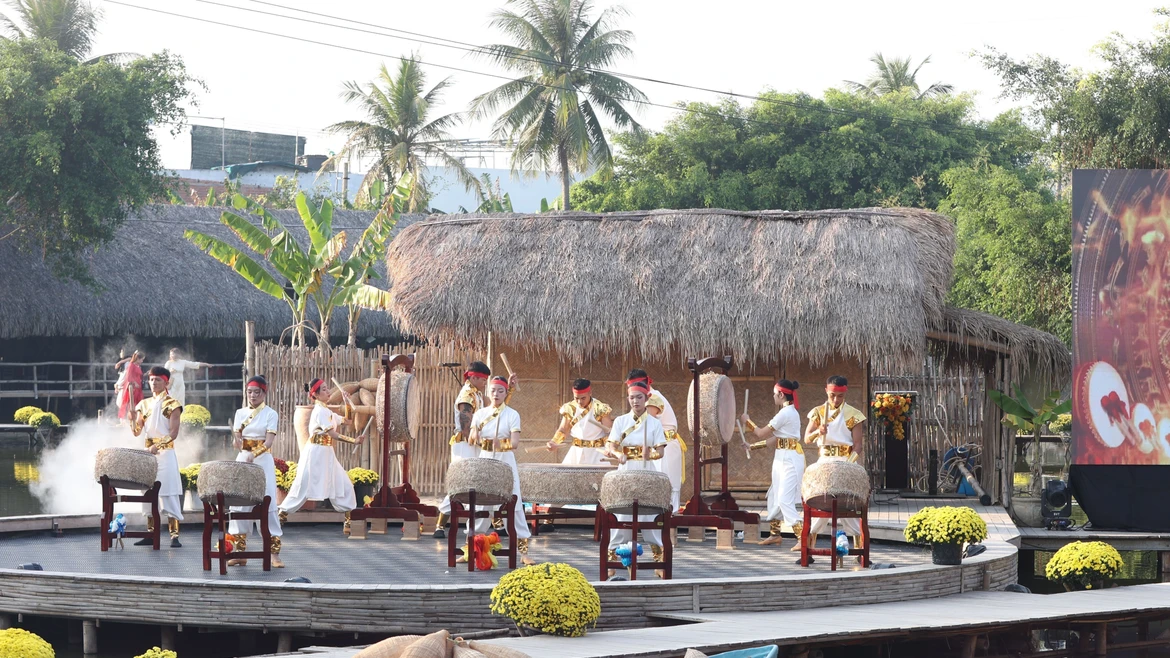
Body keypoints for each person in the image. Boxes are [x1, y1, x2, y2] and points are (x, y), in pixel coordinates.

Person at [434, 361, 517, 539]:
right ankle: (440, 525)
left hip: (477, 446)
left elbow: (495, 411)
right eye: (483, 380)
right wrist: (484, 442)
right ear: (473, 378)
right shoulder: (466, 396)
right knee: (463, 484)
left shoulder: (477, 393)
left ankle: (495, 522)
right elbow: (467, 429)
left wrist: (509, 389)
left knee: (484, 482)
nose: (485, 383)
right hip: (465, 446)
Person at [279, 378, 366, 535]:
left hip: (327, 452)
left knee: (344, 484)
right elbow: (332, 433)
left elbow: (347, 421)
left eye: (327, 388)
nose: (328, 391)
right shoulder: (319, 412)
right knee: (302, 486)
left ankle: (348, 522)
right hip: (315, 453)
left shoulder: (327, 411)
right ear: (316, 395)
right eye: (324, 389)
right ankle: (281, 515)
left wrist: (347, 402)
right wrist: (354, 441)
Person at [464, 375, 534, 565]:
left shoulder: (512, 414)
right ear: (488, 392)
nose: (496, 394)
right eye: (493, 390)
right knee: (480, 503)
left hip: (505, 462)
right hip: (485, 460)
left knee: (514, 503)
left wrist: (500, 443)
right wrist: (475, 436)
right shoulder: (480, 414)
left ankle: (523, 553)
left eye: (500, 391)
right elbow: (472, 438)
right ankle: (470, 549)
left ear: (505, 393)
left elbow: (515, 443)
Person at [604, 379, 669, 577]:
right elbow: (611, 446)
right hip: (625, 471)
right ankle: (612, 560)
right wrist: (618, 454)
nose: (635, 401)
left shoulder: (654, 423)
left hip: (646, 471)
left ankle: (659, 562)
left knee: (649, 515)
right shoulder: (620, 421)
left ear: (646, 398)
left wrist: (651, 454)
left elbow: (661, 451)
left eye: (639, 397)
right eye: (632, 397)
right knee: (622, 515)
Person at [803, 375, 866, 553]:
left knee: (850, 503)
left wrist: (849, 466)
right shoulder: (818, 412)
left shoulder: (853, 414)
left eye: (840, 396)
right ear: (826, 391)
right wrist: (818, 432)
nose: (836, 399)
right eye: (832, 395)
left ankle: (859, 549)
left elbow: (858, 445)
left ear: (845, 393)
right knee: (819, 500)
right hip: (824, 462)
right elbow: (806, 438)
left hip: (846, 461)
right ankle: (809, 549)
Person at [226, 376, 283, 568]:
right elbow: (237, 440)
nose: (252, 395)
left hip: (262, 461)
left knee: (268, 503)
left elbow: (268, 442)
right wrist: (237, 443)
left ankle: (274, 554)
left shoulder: (270, 414)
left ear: (264, 393)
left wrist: (254, 454)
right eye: (249, 392)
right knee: (239, 503)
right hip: (243, 459)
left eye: (257, 392)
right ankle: (239, 552)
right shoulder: (240, 413)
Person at [741, 379, 804, 548]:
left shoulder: (786, 413)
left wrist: (747, 421)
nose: (773, 396)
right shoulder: (787, 412)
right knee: (774, 495)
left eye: (774, 394)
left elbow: (761, 433)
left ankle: (802, 537)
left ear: (781, 394)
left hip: (790, 459)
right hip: (782, 456)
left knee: (784, 499)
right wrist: (752, 447)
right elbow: (776, 439)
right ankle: (775, 534)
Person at [130, 366, 184, 547]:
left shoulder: (173, 404)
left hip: (165, 453)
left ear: (166, 382)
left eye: (157, 380)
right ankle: (151, 533)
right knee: (147, 491)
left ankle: (174, 535)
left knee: (168, 492)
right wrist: (132, 419)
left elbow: (173, 433)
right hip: (148, 453)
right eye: (151, 379)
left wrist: (158, 446)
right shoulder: (143, 404)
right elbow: (137, 432)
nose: (153, 383)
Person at [627, 369, 687, 515]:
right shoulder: (645, 398)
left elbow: (646, 425)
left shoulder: (653, 398)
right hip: (657, 446)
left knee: (667, 483)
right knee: (656, 484)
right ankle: (657, 517)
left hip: (666, 446)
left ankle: (668, 519)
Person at [546, 378, 614, 465]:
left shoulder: (600, 408)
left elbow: (609, 432)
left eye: (583, 398)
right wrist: (554, 442)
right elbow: (563, 430)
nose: (579, 401)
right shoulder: (570, 408)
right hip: (576, 451)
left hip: (596, 452)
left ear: (590, 392)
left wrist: (609, 447)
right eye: (576, 398)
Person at [115, 350, 144, 422]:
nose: (142, 361)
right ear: (138, 358)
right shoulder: (131, 365)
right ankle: (125, 421)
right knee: (128, 404)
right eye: (142, 359)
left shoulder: (137, 366)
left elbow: (138, 376)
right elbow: (128, 377)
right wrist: (134, 383)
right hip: (132, 388)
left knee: (137, 404)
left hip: (138, 388)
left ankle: (136, 420)